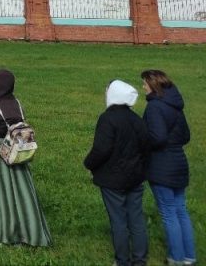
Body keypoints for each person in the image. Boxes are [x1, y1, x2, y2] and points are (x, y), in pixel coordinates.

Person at [0, 68, 51, 247]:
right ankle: (28, 233)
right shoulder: (17, 103)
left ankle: (3, 235)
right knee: (21, 193)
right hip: (17, 152)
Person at [83, 80, 150, 266]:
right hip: (135, 178)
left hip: (113, 180)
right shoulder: (137, 119)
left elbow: (101, 149)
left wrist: (88, 164)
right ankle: (140, 260)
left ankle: (122, 261)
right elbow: (146, 148)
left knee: (118, 220)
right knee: (136, 219)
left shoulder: (107, 118)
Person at [142, 69, 197, 266]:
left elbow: (158, 138)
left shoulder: (155, 107)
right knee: (180, 210)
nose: (143, 87)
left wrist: (142, 140)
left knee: (168, 213)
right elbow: (186, 136)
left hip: (161, 166)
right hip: (179, 163)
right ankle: (189, 256)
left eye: (144, 83)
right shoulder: (175, 105)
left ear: (152, 85)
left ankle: (176, 257)